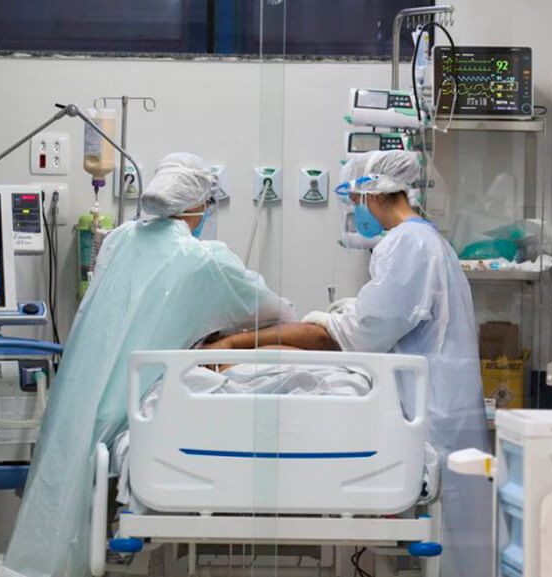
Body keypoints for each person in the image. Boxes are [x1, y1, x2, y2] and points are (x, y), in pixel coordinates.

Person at [0, 153, 293, 577]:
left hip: (83, 393)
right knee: (79, 507)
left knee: (59, 500)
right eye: (209, 203)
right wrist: (225, 340)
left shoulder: (118, 239)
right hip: (128, 402)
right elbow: (276, 312)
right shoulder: (205, 259)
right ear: (198, 205)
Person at [205, 150, 491, 577]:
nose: (355, 212)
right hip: (435, 407)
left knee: (448, 549)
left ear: (371, 194)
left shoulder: (408, 244)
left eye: (355, 201)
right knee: (450, 545)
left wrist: (235, 345)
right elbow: (366, 326)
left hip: (429, 415)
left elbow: (350, 335)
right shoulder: (426, 243)